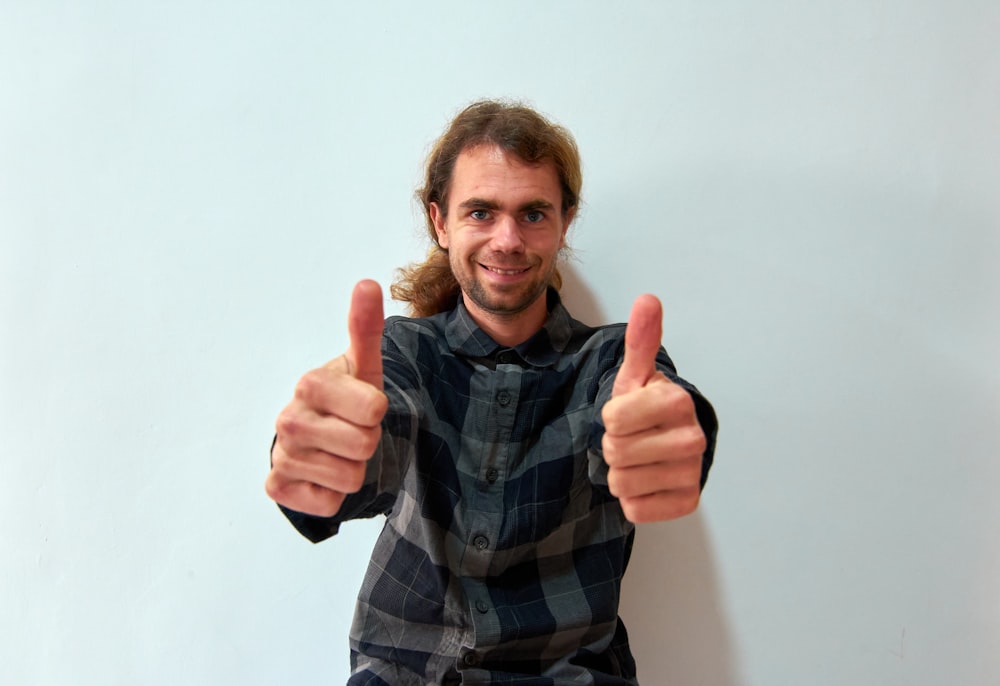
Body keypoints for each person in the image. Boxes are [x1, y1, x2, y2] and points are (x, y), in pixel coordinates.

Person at [265, 100, 718, 685]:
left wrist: (668, 437)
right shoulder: (402, 354)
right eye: (481, 211)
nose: (507, 240)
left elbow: (645, 412)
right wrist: (321, 460)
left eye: (533, 214)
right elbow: (374, 438)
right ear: (440, 221)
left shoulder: (610, 359)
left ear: (564, 222)